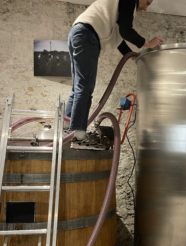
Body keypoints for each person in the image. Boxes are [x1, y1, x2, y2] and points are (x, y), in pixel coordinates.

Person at [65, 0, 163, 148]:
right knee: (84, 88)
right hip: (87, 35)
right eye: (147, 2)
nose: (146, 8)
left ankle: (66, 130)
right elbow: (126, 31)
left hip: (78, 32)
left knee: (78, 88)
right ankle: (77, 135)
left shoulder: (117, 8)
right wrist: (147, 43)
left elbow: (119, 39)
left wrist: (134, 57)